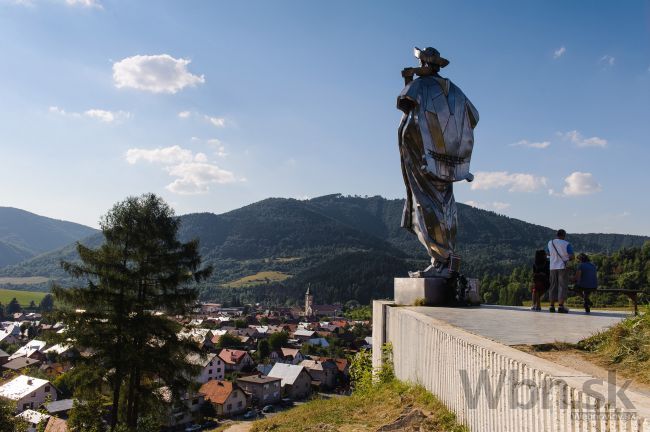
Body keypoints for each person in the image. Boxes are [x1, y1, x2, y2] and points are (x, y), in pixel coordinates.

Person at [547, 229, 574, 313]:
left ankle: (551, 306)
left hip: (552, 267)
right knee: (562, 286)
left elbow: (548, 253)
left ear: (557, 235)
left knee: (553, 286)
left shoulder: (550, 243)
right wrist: (568, 258)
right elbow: (572, 256)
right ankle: (561, 306)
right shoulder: (566, 244)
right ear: (564, 235)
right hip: (562, 267)